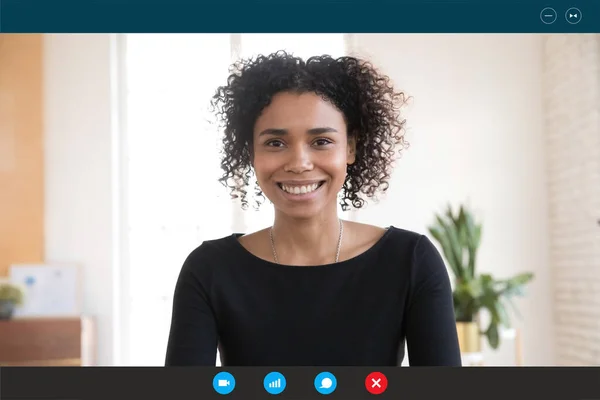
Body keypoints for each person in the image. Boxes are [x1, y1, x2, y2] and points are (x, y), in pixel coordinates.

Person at [165, 51, 462, 367]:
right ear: (251, 152)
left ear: (351, 147)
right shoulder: (209, 271)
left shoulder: (411, 261)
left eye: (321, 141)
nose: (299, 163)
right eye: (275, 143)